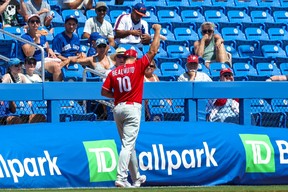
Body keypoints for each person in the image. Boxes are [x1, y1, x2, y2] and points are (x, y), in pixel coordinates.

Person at [101, 23, 161, 188]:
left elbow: (104, 92)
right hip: (132, 108)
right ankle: (121, 177)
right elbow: (153, 50)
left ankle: (136, 179)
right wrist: (157, 31)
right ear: (134, 57)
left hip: (118, 108)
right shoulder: (137, 66)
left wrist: (118, 95)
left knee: (129, 145)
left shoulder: (114, 71)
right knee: (127, 145)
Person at [20, 14, 67, 81]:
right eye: (32, 21)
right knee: (56, 66)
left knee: (65, 62)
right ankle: (56, 89)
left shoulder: (42, 36)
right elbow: (28, 54)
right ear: (28, 24)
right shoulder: (25, 37)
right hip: (34, 63)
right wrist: (35, 41)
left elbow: (47, 47)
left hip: (45, 59)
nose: (35, 23)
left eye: (37, 21)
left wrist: (50, 50)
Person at [2, 58, 46, 123]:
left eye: (20, 65)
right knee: (15, 120)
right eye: (16, 65)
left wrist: (29, 100)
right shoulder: (7, 76)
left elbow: (27, 90)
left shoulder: (21, 76)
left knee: (41, 117)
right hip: (11, 104)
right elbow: (2, 88)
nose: (19, 67)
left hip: (22, 104)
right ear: (10, 67)